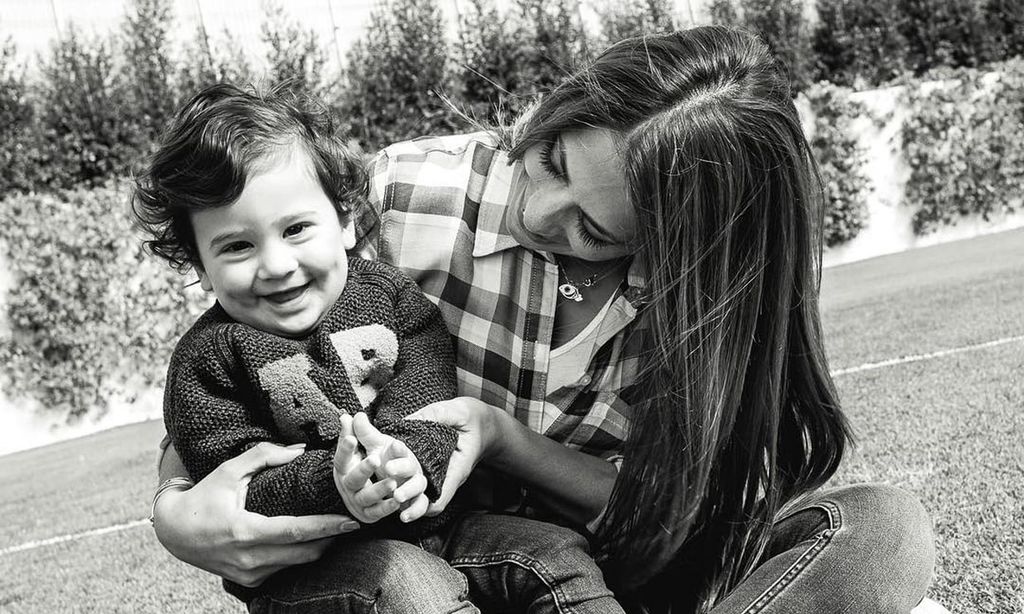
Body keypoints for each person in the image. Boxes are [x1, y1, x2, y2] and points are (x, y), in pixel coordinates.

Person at [151, 27, 936, 613]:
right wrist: (176, 514)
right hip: (406, 573)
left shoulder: (707, 308)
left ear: (677, 252)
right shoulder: (401, 197)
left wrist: (500, 438)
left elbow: (674, 516)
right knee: (407, 585)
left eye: (597, 231)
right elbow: (242, 378)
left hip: (588, 575)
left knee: (882, 531)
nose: (539, 208)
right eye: (553, 159)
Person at [135, 84, 624, 613]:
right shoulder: (209, 358)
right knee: (411, 585)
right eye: (236, 246)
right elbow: (226, 471)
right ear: (200, 267)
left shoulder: (389, 295)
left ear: (345, 221)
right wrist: (338, 482)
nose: (275, 265)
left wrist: (410, 458)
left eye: (296, 229)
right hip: (315, 560)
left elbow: (428, 388)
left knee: (552, 554)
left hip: (435, 522)